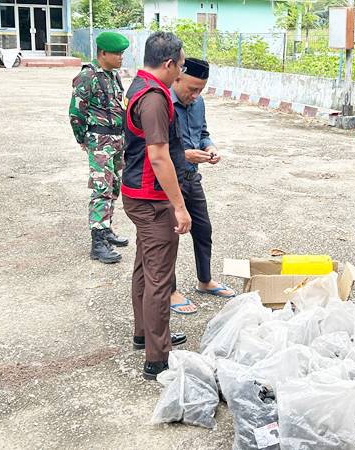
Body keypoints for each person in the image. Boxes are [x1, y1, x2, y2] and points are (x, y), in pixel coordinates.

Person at [122, 31, 191, 380]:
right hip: (151, 198)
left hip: (137, 193)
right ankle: (157, 357)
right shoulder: (153, 98)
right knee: (159, 277)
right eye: (180, 67)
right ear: (168, 63)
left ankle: (145, 334)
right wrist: (179, 206)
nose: (180, 73)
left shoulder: (138, 86)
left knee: (144, 267)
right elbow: (159, 156)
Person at [168, 57, 236, 316]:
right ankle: (170, 290)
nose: (195, 95)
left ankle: (204, 280)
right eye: (192, 89)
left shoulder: (198, 103)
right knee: (169, 237)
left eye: (200, 90)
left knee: (203, 229)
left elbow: (203, 133)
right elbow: (155, 148)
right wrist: (184, 154)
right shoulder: (162, 103)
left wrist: (210, 147)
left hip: (191, 178)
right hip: (168, 181)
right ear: (177, 78)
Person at [69, 31, 131, 263]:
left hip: (116, 140)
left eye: (122, 53)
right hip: (100, 140)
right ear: (103, 53)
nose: (121, 57)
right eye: (117, 53)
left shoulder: (113, 75)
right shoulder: (88, 76)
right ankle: (97, 243)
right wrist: (82, 139)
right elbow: (76, 112)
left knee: (113, 186)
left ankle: (106, 229)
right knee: (101, 189)